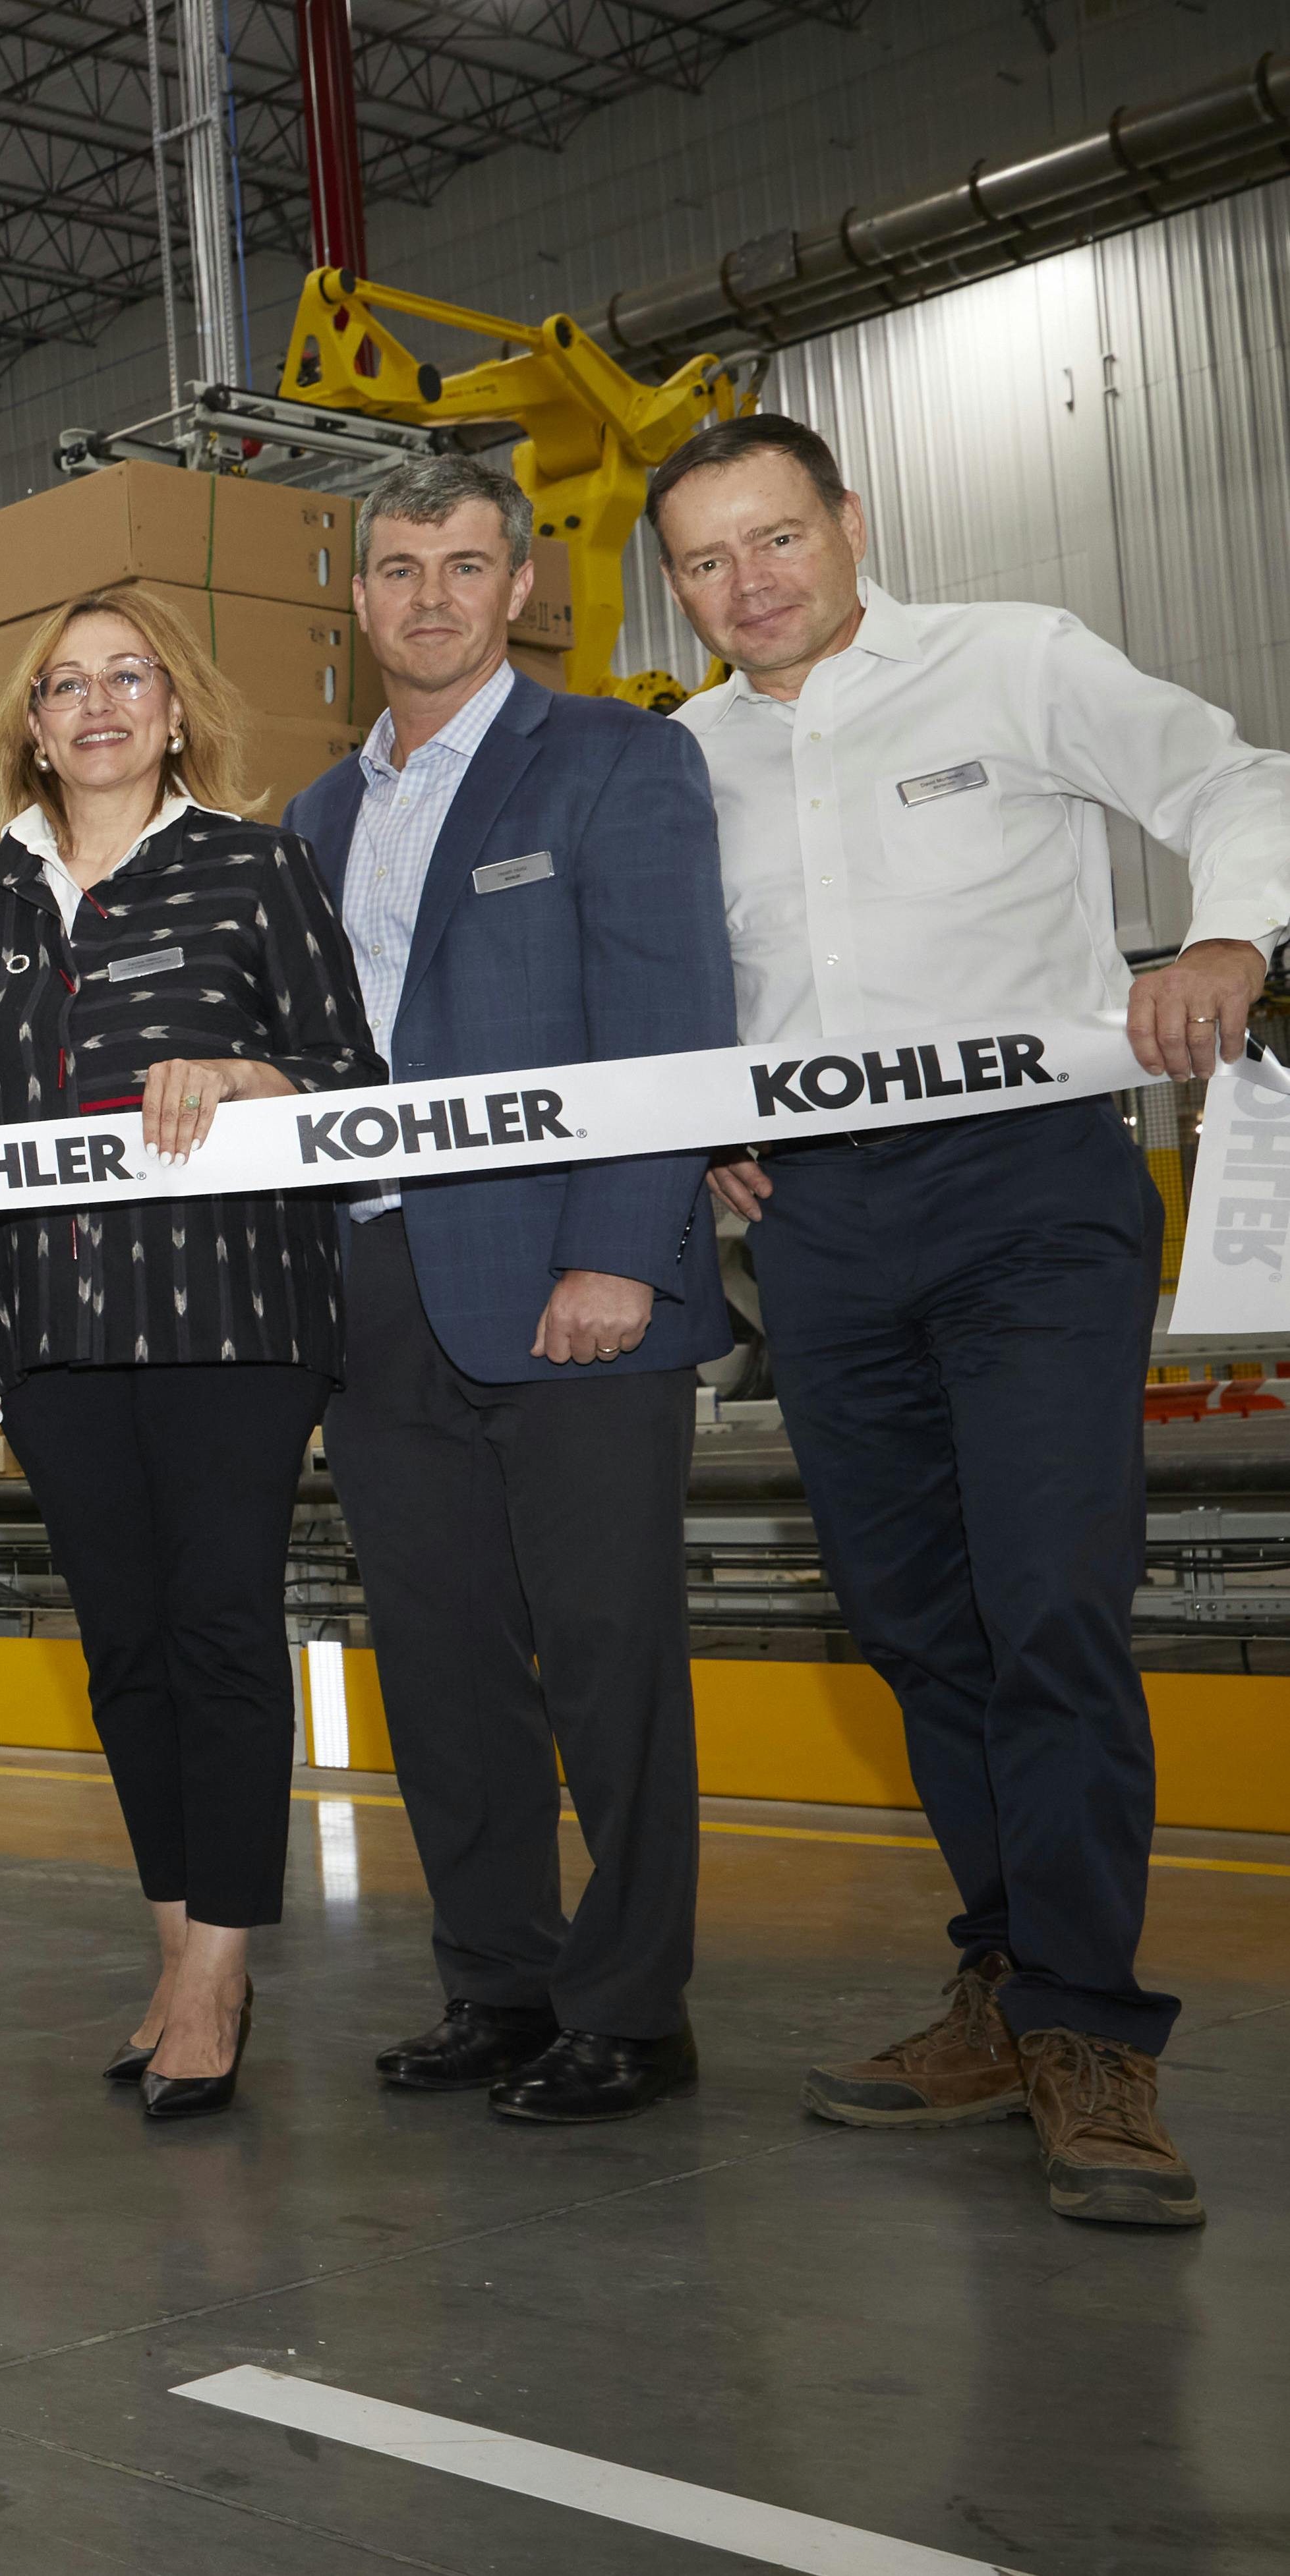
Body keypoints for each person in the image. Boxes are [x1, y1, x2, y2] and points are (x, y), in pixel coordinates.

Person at [660, 412, 1290, 2227]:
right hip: (825, 1222)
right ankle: (1007, 1981)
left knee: (1049, 1605)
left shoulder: (1009, 659)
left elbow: (1235, 778)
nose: (748, 584)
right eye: (705, 560)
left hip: (1033, 1193)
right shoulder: (678, 758)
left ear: (851, 526)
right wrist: (702, 1125)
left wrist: (1232, 936)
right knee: (920, 1621)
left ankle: (1096, 2032)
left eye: (776, 538)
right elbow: (676, 984)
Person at [286, 453, 734, 2128]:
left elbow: (673, 1015)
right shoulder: (311, 819)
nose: (428, 597)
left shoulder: (616, 761)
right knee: (440, 1658)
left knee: (607, 1647)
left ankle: (630, 2006)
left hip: (568, 1280)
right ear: (355, 595)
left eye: (461, 565)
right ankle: (498, 1976)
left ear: (520, 585)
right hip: (374, 1281)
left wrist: (620, 1245)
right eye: (396, 567)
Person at [0, 590, 382, 2123]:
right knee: (120, 1645)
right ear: (33, 726)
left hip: (228, 1315)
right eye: (65, 686)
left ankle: (217, 1969)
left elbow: (349, 1073)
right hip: (51, 1326)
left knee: (214, 1629)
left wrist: (246, 1071)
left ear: (174, 709)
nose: (99, 706)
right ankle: (172, 1938)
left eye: (128, 679)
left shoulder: (254, 867)